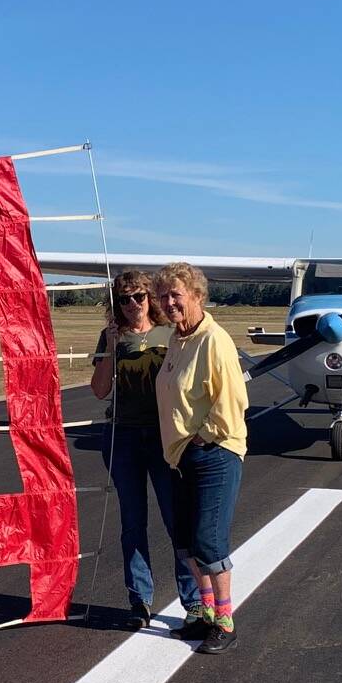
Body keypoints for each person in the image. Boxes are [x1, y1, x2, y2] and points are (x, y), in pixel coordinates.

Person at [90, 269, 200, 631]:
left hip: (165, 436)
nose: (132, 305)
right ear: (116, 304)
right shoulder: (112, 337)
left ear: (149, 297)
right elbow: (100, 390)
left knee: (176, 519)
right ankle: (139, 600)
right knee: (132, 523)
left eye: (138, 296)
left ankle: (194, 601)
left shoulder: (171, 332)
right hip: (123, 436)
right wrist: (108, 345)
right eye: (124, 299)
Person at [154, 261, 248, 655]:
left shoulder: (214, 340)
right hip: (179, 458)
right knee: (184, 542)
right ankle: (206, 615)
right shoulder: (178, 339)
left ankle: (226, 621)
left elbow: (232, 403)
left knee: (208, 542)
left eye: (176, 294)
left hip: (213, 453)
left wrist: (200, 440)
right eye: (163, 296)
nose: (169, 303)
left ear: (196, 295)